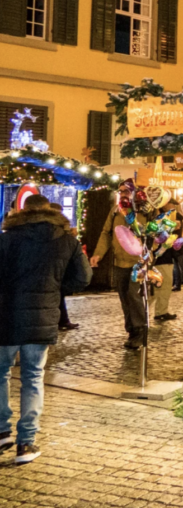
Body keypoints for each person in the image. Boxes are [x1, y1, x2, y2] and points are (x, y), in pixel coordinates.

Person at [0, 194, 91, 464]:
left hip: (5, 316)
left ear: (22, 210)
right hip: (43, 317)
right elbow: (83, 277)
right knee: (33, 377)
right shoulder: (67, 240)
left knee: (1, 372)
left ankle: (2, 430)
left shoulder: (6, 238)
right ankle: (26, 443)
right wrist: (55, 289)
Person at [90, 195, 149, 349]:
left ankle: (140, 330)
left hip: (140, 262)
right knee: (124, 297)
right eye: (120, 190)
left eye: (126, 190)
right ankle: (131, 330)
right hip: (120, 262)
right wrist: (99, 253)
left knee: (133, 295)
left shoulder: (146, 210)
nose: (123, 193)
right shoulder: (116, 210)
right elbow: (106, 233)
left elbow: (154, 235)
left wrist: (151, 254)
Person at [48, 203, 80, 331]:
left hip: (59, 266)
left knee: (59, 295)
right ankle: (61, 321)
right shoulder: (53, 228)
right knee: (57, 295)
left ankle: (63, 320)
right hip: (55, 266)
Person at [152, 200, 180, 322]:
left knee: (162, 286)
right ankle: (159, 312)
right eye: (171, 205)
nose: (173, 208)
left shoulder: (169, 218)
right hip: (161, 258)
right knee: (162, 285)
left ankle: (161, 311)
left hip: (165, 257)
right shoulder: (158, 218)